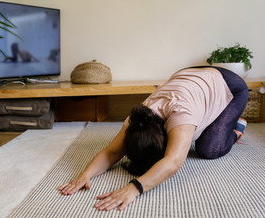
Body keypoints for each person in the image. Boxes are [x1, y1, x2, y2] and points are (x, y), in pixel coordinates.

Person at [58, 66, 249, 211]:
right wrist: (85, 174)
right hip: (189, 75)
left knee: (208, 149)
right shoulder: (139, 117)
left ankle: (237, 125)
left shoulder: (181, 115)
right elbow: (112, 151)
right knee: (197, 133)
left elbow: (173, 161)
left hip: (230, 85)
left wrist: (134, 188)